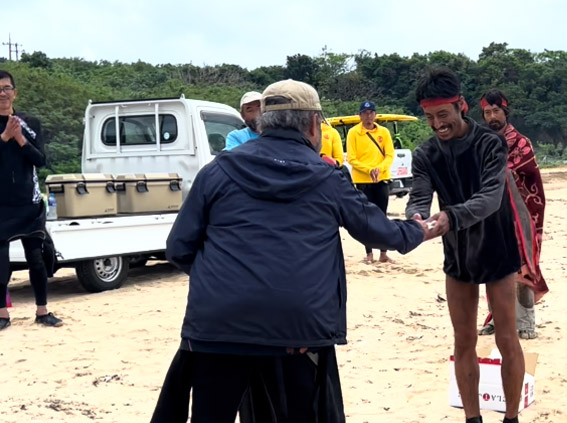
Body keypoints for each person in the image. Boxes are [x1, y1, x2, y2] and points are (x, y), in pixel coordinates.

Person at [151, 79, 435, 423]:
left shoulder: (217, 171)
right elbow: (381, 232)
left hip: (217, 326)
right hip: (296, 330)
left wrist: (224, 282)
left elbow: (178, 248)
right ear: (314, 125)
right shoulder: (328, 177)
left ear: (261, 123)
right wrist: (420, 229)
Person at [406, 68, 525, 423]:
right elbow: (419, 197)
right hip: (457, 253)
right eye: (430, 117)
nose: (437, 124)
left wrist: (449, 217)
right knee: (463, 340)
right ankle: (472, 418)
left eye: (443, 114)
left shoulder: (490, 143)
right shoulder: (425, 154)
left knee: (507, 339)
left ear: (461, 105)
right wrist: (416, 218)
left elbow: (490, 197)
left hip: (497, 247)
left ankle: (511, 418)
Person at [477, 89, 548, 340]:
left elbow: (530, 176)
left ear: (505, 112)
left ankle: (526, 323)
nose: (492, 117)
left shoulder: (520, 143)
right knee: (493, 268)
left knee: (522, 268)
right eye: (487, 112)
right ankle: (497, 319)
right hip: (490, 216)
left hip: (519, 216)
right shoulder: (480, 142)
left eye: (496, 111)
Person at [0, 69, 62, 330]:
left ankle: (42, 311)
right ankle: (3, 315)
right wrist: (4, 137)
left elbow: (41, 159)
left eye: (6, 88)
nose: (2, 93)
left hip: (29, 202)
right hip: (1, 205)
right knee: (1, 263)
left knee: (36, 258)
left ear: (15, 92)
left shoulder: (29, 122)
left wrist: (19, 139)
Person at [346, 101, 396, 263]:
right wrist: (369, 170)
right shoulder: (354, 133)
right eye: (365, 113)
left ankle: (383, 252)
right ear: (360, 115)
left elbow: (389, 155)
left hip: (381, 178)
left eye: (371, 113)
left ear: (375, 115)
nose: (368, 116)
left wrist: (379, 169)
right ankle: (369, 253)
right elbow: (352, 158)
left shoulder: (384, 132)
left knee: (382, 216)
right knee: (366, 217)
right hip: (363, 180)